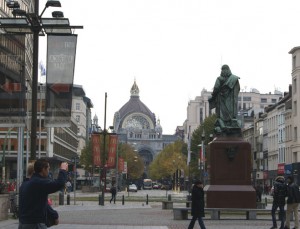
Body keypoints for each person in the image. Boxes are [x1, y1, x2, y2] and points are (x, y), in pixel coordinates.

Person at [19, 159, 68, 229]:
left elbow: (41, 203)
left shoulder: (25, 184)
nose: (49, 171)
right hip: (35, 224)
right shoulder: (39, 182)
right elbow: (59, 184)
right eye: (48, 169)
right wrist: (63, 169)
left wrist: (54, 215)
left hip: (23, 223)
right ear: (43, 169)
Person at [208, 64, 240, 133]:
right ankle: (229, 124)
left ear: (222, 71)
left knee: (221, 115)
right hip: (232, 103)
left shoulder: (219, 79)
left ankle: (223, 126)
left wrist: (213, 95)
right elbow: (237, 89)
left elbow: (216, 88)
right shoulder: (234, 79)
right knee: (230, 115)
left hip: (221, 101)